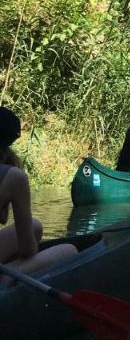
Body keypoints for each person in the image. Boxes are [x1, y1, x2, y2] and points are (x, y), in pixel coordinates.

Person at [0, 107, 77, 282]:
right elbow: (28, 249)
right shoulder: (14, 176)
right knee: (69, 250)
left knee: (35, 226)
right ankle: (6, 277)